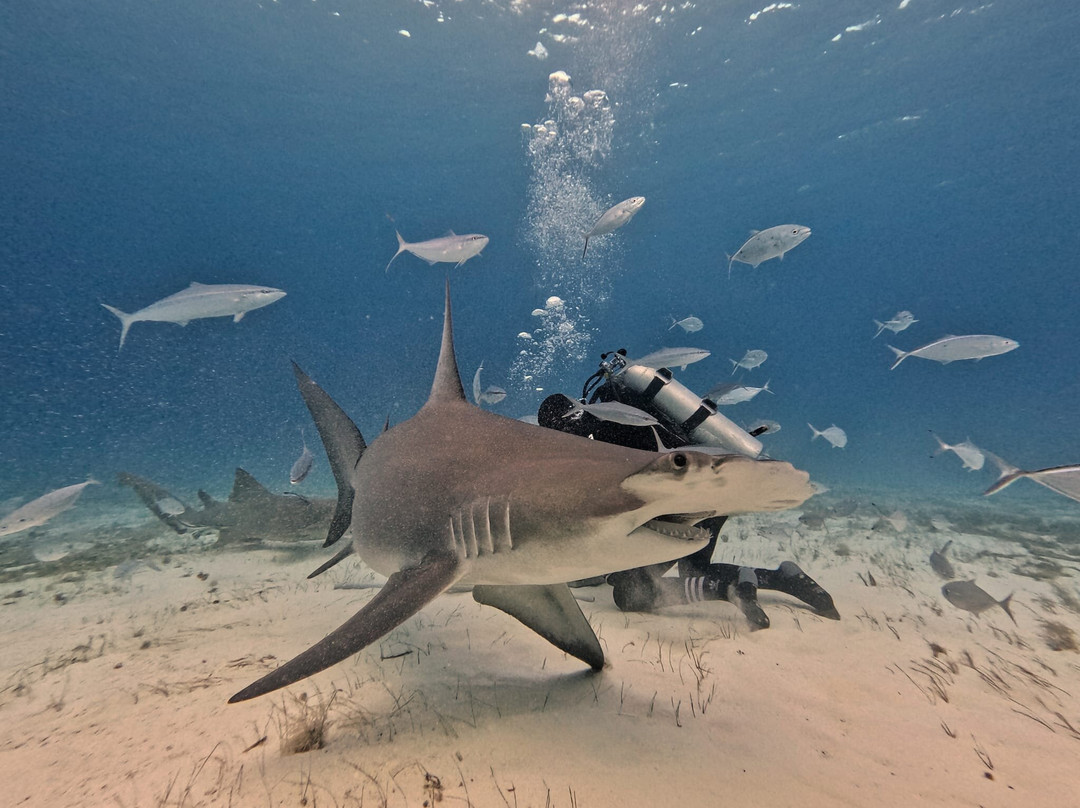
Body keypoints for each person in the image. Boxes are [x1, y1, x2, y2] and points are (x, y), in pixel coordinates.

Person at [536, 350, 840, 631]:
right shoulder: (618, 406)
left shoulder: (601, 430)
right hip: (716, 489)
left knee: (631, 595)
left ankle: (729, 587)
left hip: (685, 500)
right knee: (694, 569)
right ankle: (781, 578)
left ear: (562, 426)